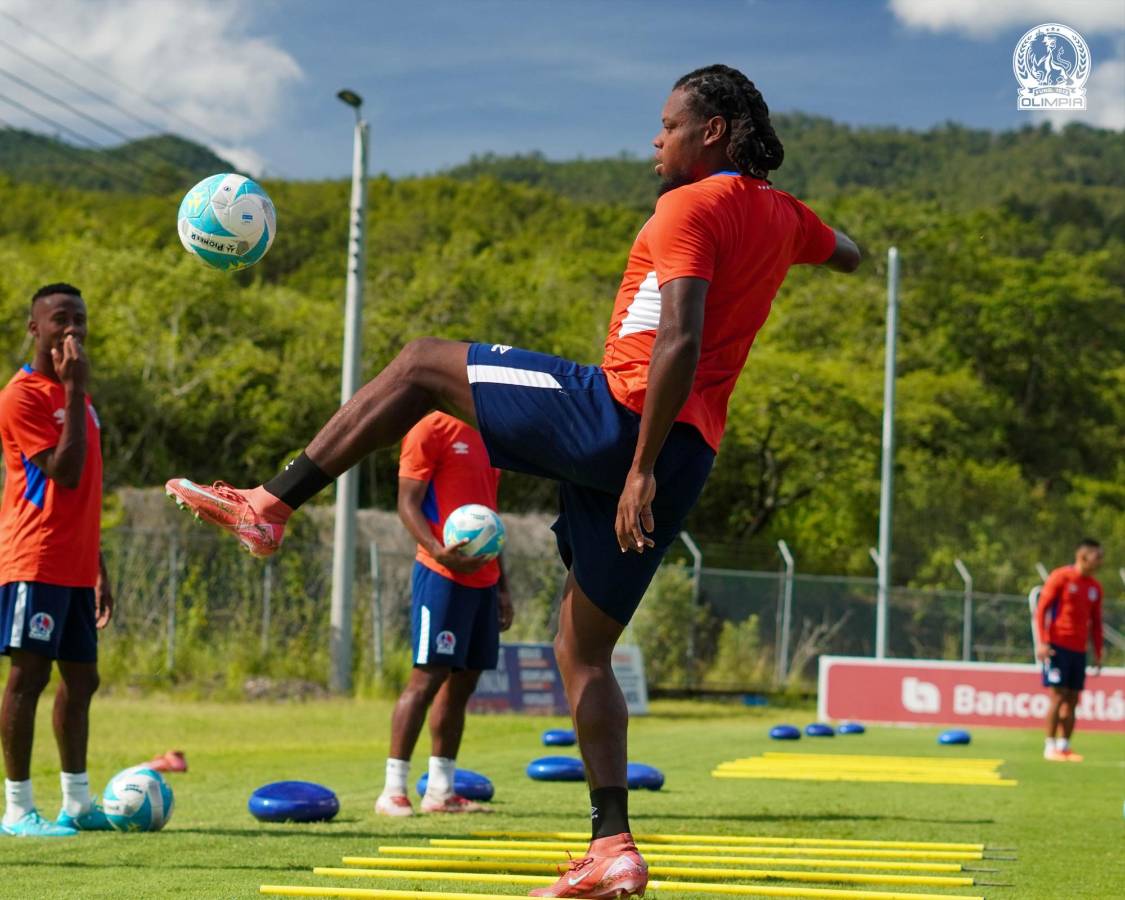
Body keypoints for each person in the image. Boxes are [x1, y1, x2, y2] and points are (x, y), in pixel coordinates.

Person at [166, 64, 860, 898]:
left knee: (421, 363)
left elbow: (677, 338)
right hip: (687, 455)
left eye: (669, 125)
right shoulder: (783, 216)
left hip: (623, 420)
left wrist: (633, 464)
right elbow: (846, 253)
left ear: (712, 132)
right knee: (581, 650)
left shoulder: (688, 204)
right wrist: (792, 234)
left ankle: (268, 505)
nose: (656, 139)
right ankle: (612, 848)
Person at [0, 283, 113, 837]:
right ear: (35, 329)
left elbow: (86, 491)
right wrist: (72, 389)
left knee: (83, 679)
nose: (73, 329)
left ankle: (79, 803)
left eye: (80, 319)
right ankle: (18, 810)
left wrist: (98, 566)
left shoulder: (78, 397)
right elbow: (63, 473)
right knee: (28, 677)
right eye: (60, 319)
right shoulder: (23, 395)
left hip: (74, 565)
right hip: (35, 558)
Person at [376, 411, 513, 817]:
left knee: (463, 685)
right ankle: (393, 790)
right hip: (440, 573)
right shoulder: (430, 428)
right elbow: (407, 502)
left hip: (485, 581)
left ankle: (440, 791)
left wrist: (503, 587)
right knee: (427, 677)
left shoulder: (493, 430)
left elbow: (490, 519)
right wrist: (437, 550)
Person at [1034, 538, 1104, 762]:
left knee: (1073, 698)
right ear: (1083, 556)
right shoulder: (1060, 577)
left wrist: (1098, 652)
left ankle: (1065, 746)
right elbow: (1042, 610)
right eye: (1097, 557)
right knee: (1057, 695)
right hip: (1057, 646)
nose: (1100, 562)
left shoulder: (1094, 587)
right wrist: (1043, 642)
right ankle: (1049, 746)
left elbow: (1096, 622)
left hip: (1079, 650)